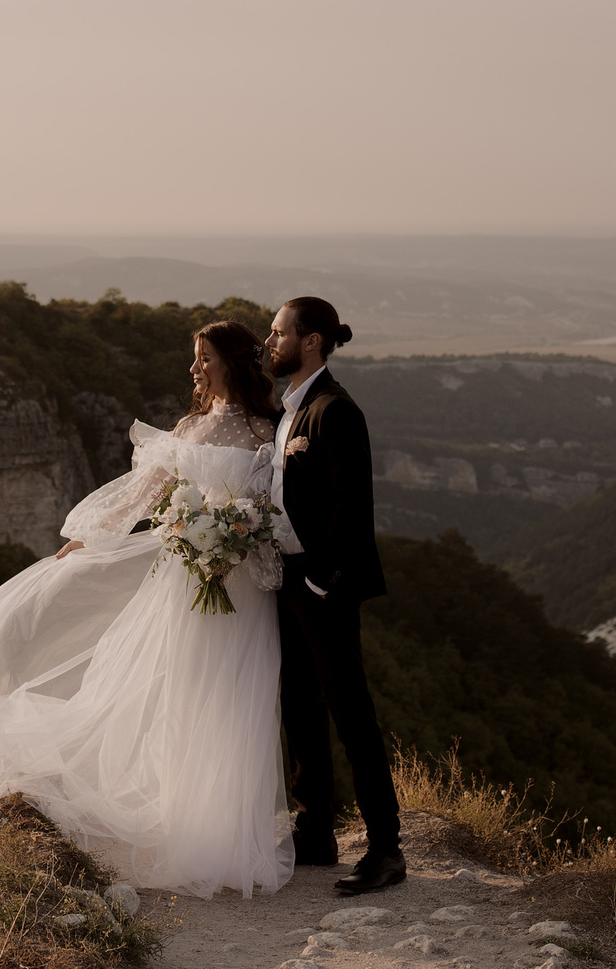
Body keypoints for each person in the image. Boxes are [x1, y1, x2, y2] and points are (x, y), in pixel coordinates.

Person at [0, 321, 295, 898]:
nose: (194, 369)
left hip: (242, 589)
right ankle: (184, 828)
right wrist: (91, 538)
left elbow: (270, 511)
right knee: (184, 692)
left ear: (231, 362)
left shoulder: (266, 431)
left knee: (236, 702)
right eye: (193, 358)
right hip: (183, 584)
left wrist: (236, 538)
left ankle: (226, 838)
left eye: (203, 358)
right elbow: (143, 492)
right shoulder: (190, 429)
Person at [266, 294, 403, 894]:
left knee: (352, 715)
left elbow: (352, 506)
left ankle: (386, 849)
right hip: (286, 581)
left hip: (321, 586)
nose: (271, 343)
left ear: (312, 340)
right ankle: (315, 831)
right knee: (300, 707)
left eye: (278, 333)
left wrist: (322, 581)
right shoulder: (291, 408)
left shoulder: (335, 410)